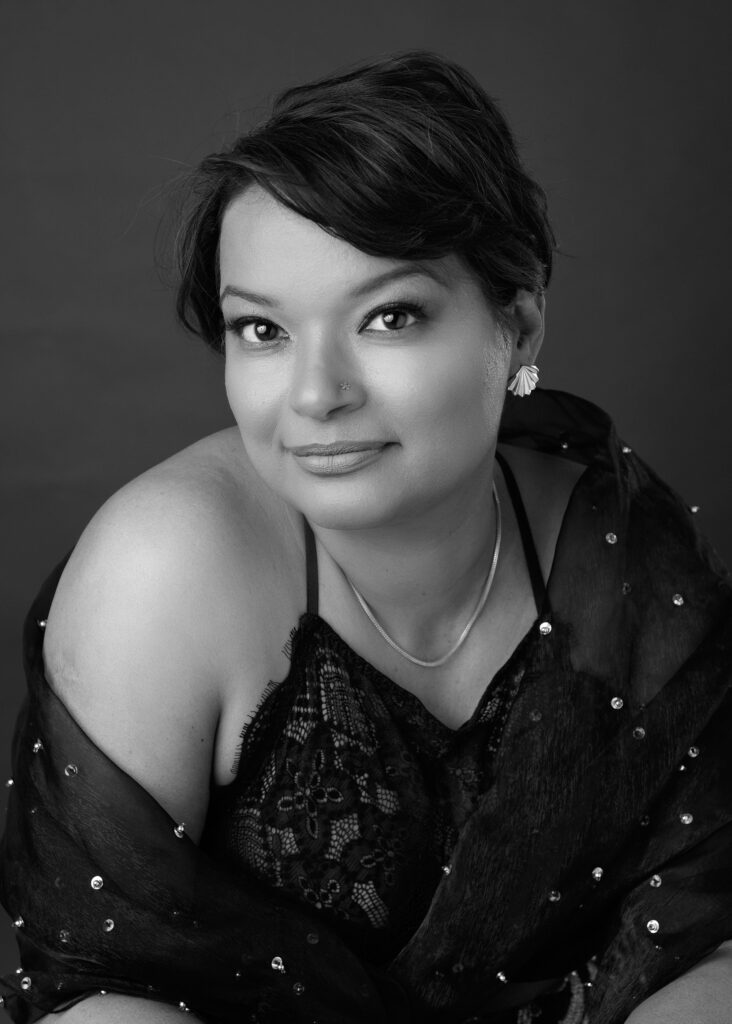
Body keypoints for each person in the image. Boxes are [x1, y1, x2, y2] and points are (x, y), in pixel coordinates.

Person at [1, 50, 731, 1024]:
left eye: (389, 316)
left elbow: (705, 926)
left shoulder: (621, 551)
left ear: (518, 319)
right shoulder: (166, 566)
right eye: (262, 330)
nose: (314, 395)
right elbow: (92, 989)